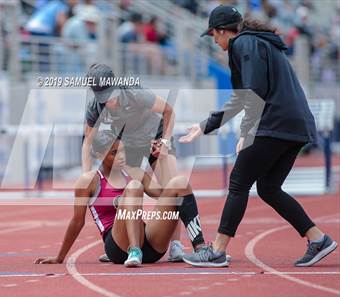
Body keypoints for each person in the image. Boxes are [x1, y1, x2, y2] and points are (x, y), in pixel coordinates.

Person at [180, 5, 337, 267]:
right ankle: (318, 239)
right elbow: (246, 96)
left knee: (238, 182)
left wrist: (247, 131)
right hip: (295, 124)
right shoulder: (259, 42)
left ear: (222, 31)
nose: (216, 43)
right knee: (268, 188)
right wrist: (207, 124)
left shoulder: (244, 44)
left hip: (275, 122)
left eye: (214, 36)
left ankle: (217, 250)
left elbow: (254, 91)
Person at [34, 130, 205, 267]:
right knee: (134, 187)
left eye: (123, 150)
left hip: (150, 245)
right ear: (100, 155)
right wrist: (59, 257)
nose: (121, 156)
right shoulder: (88, 181)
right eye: (115, 153)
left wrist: (160, 159)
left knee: (180, 183)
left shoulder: (134, 172)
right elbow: (77, 221)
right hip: (117, 247)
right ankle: (134, 250)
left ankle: (201, 249)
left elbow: (167, 197)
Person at [83, 63, 185, 262]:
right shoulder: (95, 106)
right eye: (104, 99)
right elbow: (88, 142)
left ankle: (176, 245)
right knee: (126, 190)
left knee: (169, 189)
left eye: (111, 96)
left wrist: (164, 142)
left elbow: (169, 111)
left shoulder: (134, 91)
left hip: (154, 137)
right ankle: (123, 242)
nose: (109, 103)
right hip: (127, 143)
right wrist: (87, 175)